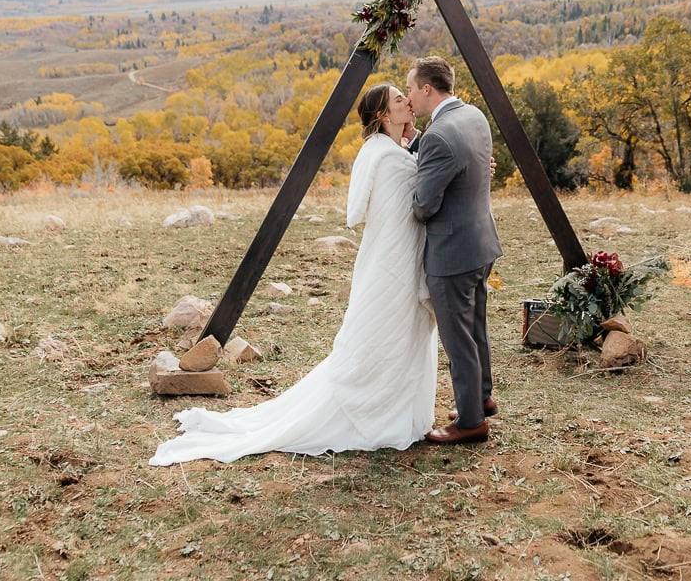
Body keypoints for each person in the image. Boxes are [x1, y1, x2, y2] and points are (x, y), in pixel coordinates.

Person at [150, 84, 437, 465]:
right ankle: (371, 411)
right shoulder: (385, 157)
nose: (408, 103)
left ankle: (395, 406)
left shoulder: (389, 151)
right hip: (392, 261)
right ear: (383, 115)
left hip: (396, 255)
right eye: (399, 100)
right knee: (384, 333)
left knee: (401, 334)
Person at [406, 56, 503, 445]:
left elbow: (423, 205)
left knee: (458, 337)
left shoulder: (439, 136)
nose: (409, 95)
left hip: (453, 252)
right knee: (475, 326)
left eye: (411, 88)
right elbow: (461, 166)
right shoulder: (473, 116)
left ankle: (471, 421)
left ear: (427, 89)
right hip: (481, 242)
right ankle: (481, 396)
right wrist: (415, 144)